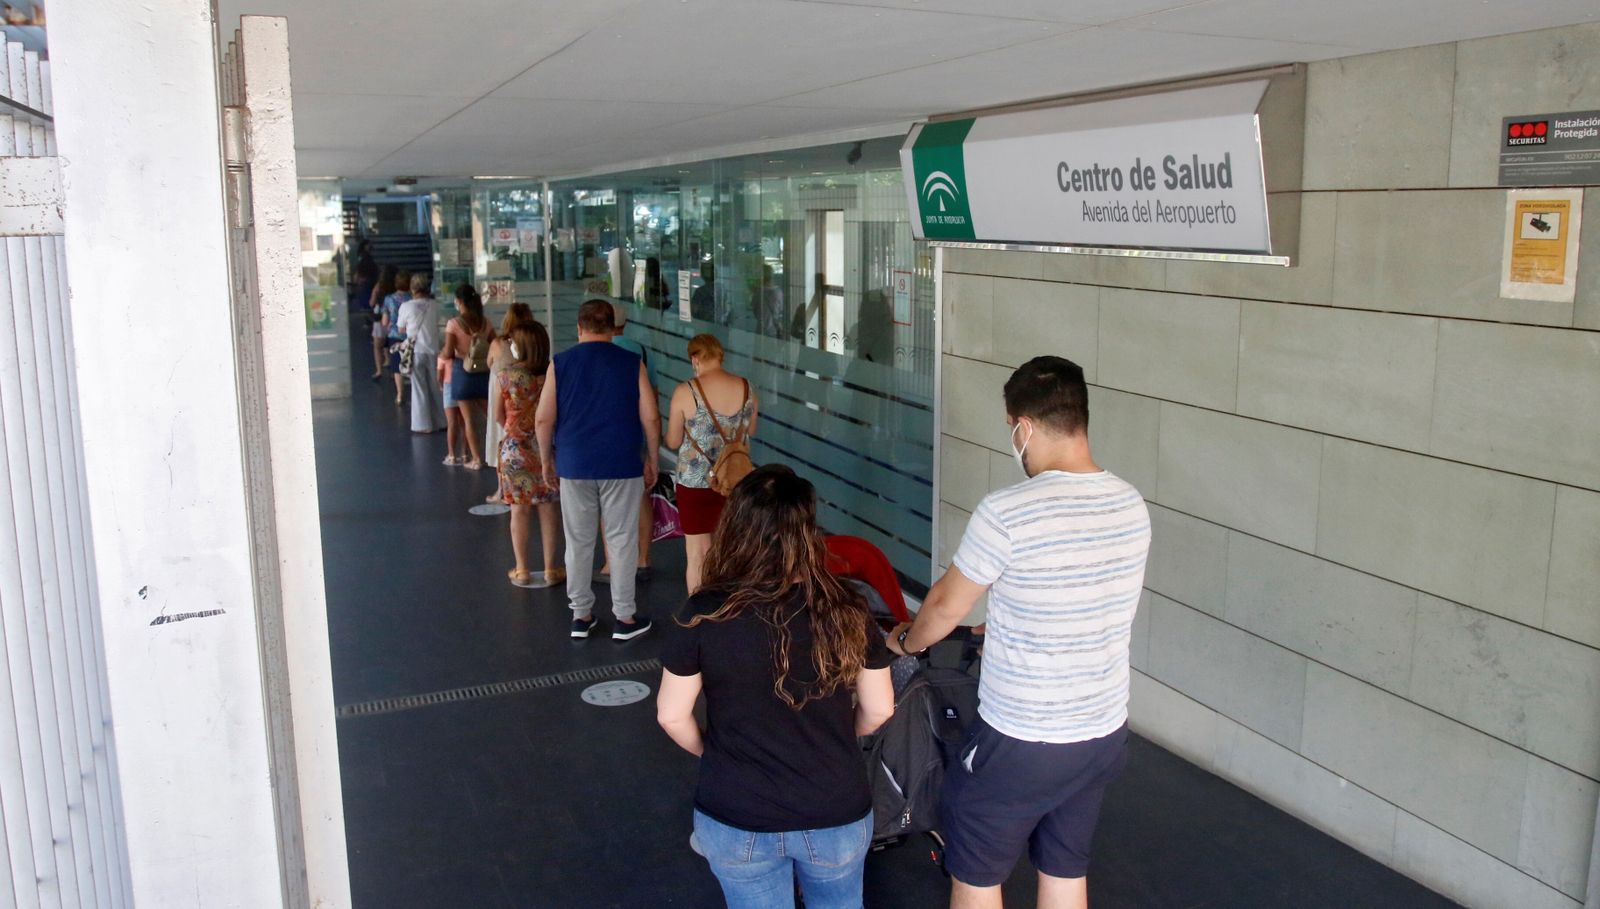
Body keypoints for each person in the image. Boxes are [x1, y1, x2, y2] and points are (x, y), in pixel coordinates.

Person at [885, 356, 1150, 909]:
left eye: (1012, 430)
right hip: (1101, 731)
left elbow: (941, 608)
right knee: (1063, 872)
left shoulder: (1009, 511)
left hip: (1023, 736)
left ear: (1023, 427)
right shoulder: (1130, 503)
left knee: (977, 877)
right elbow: (1078, 592)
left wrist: (907, 642)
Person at [657, 464, 895, 909]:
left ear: (736, 528)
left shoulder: (704, 612)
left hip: (736, 812)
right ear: (807, 532)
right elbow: (880, 709)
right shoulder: (846, 607)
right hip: (835, 807)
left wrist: (713, 751)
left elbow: (671, 715)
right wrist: (845, 734)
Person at [535, 299, 661, 641]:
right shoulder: (631, 362)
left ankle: (581, 616)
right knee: (621, 540)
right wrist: (653, 458)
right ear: (613, 329)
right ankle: (625, 618)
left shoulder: (559, 364)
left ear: (579, 328)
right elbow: (650, 416)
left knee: (578, 541)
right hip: (622, 462)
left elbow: (544, 418)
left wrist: (547, 460)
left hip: (574, 463)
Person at [665, 333, 757, 594]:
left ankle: (697, 614)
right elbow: (752, 429)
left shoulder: (686, 391)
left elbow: (672, 441)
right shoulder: (747, 388)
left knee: (697, 554)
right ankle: (730, 608)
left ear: (695, 359)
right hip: (736, 482)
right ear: (720, 356)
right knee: (731, 548)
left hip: (695, 484)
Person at [495, 304, 563, 589]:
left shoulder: (506, 376)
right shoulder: (553, 375)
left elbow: (499, 415)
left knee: (518, 510)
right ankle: (550, 568)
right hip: (546, 448)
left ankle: (522, 568)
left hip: (513, 450)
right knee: (547, 509)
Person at [604, 301, 658, 582]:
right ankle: (643, 558)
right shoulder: (641, 350)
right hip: (636, 431)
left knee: (605, 498)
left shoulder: (598, 350)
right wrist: (653, 448)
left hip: (607, 433)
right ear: (624, 324)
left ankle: (610, 563)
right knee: (640, 494)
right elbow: (654, 396)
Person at [439, 283, 495, 469]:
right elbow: (495, 343)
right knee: (491, 416)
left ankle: (477, 459)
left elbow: (448, 352)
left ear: (460, 301)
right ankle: (497, 451)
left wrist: (441, 356)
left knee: (468, 419)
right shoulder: (486, 322)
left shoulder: (454, 324)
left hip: (462, 372)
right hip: (483, 373)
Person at [397, 274, 446, 434]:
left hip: (415, 351)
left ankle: (423, 425)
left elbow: (401, 329)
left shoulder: (406, 306)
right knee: (436, 387)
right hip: (433, 350)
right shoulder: (435, 305)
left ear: (412, 288)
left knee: (418, 388)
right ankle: (441, 421)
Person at [381, 269, 412, 406]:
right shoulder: (412, 298)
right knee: (411, 363)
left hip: (394, 335)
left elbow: (384, 321)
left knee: (396, 366)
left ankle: (400, 394)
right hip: (411, 335)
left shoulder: (389, 299)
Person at [366, 262, 391, 379]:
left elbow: (371, 302)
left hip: (380, 319)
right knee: (391, 344)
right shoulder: (395, 285)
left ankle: (379, 371)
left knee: (377, 346)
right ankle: (390, 364)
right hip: (394, 319)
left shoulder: (378, 286)